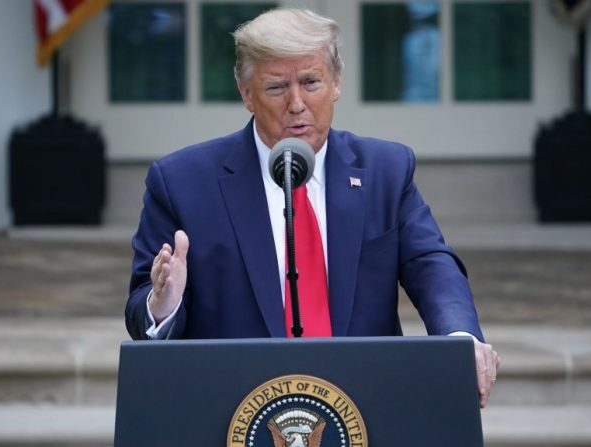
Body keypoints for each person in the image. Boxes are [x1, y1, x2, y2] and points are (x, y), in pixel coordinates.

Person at [126, 8, 500, 407]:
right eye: (276, 88)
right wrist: (162, 305)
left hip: (362, 404)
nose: (297, 104)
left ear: (336, 82)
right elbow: (141, 311)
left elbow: (432, 265)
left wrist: (460, 340)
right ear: (246, 93)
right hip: (231, 407)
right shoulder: (182, 182)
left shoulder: (385, 171)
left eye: (311, 82)